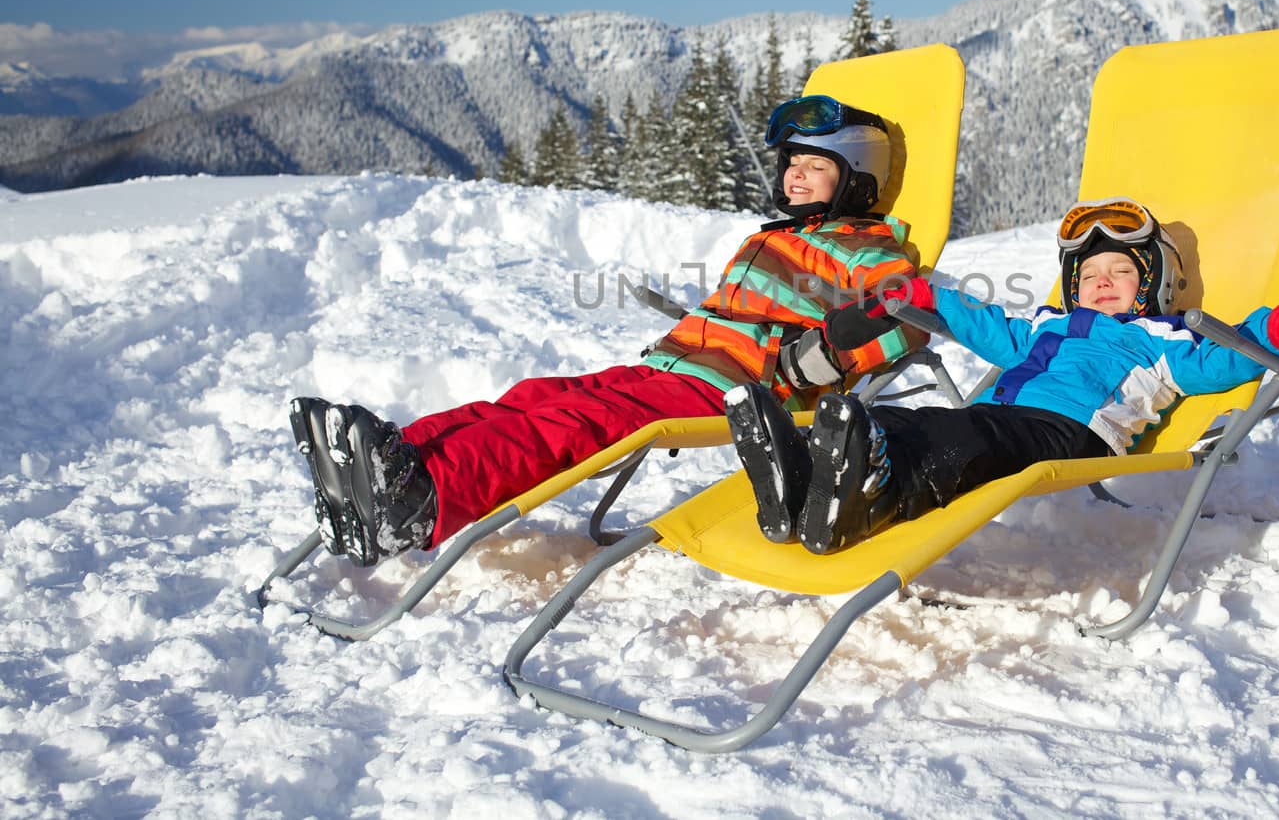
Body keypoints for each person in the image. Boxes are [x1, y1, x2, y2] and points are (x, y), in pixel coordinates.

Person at [291, 95, 930, 567]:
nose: (794, 175)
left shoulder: (868, 250)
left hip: (737, 390)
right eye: (791, 163)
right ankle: (392, 462)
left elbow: (904, 314)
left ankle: (426, 496)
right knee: (536, 397)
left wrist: (805, 364)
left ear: (858, 178)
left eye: (815, 166)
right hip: (674, 366)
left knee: (571, 426)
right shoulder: (773, 238)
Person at [724, 196, 1279, 554]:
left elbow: (1227, 358)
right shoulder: (1045, 326)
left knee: (963, 445)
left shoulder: (1167, 340)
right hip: (1000, 415)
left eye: (1120, 271)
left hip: (1069, 431)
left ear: (1153, 283)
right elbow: (984, 325)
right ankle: (800, 475)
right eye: (1089, 274)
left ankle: (870, 501)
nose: (1100, 282)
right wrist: (917, 295)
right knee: (905, 420)